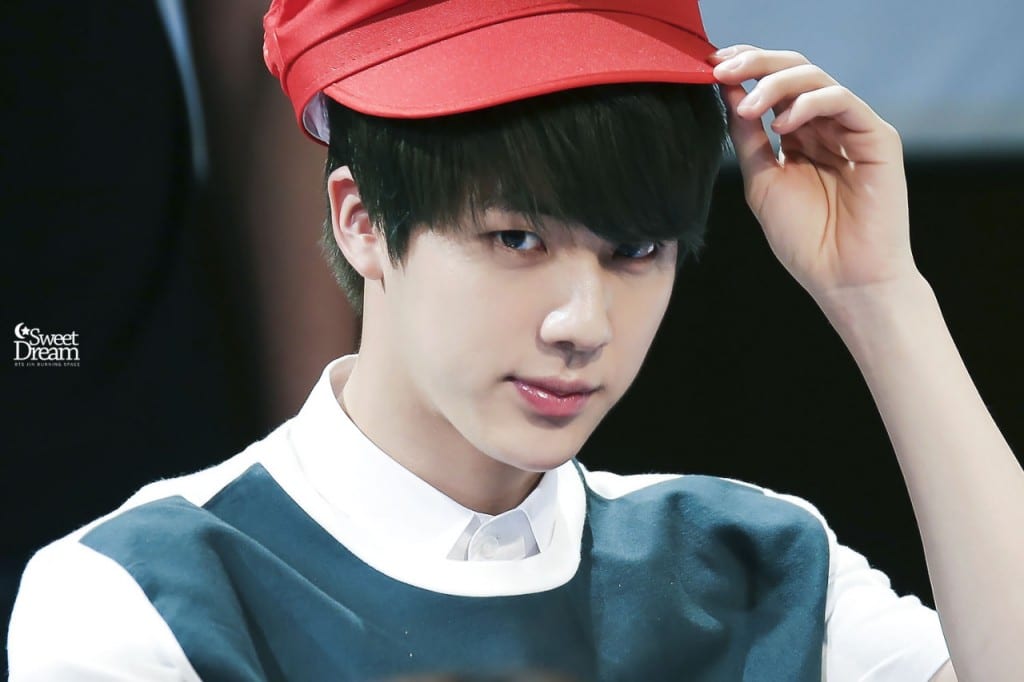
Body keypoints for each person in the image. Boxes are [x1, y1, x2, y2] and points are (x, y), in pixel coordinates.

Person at [7, 1, 1022, 680]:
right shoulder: (147, 594)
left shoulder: (758, 564)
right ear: (362, 221)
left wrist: (881, 295)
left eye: (634, 250)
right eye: (516, 239)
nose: (582, 323)